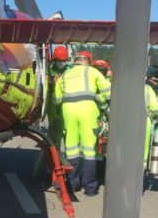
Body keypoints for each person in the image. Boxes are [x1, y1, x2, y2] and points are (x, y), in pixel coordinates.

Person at [54, 52, 111, 196]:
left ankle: (72, 184)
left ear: (75, 62)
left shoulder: (65, 75)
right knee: (89, 149)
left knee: (71, 147)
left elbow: (57, 99)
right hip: (87, 110)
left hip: (68, 110)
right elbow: (108, 91)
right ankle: (90, 187)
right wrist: (102, 102)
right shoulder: (92, 71)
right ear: (88, 62)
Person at [46, 46, 70, 154]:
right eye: (59, 61)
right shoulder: (49, 70)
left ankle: (68, 154)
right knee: (54, 132)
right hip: (52, 106)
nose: (62, 63)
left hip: (66, 105)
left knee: (66, 131)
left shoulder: (70, 70)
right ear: (54, 60)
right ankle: (55, 154)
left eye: (64, 61)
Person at [144, 79, 158, 168]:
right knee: (142, 151)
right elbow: (157, 110)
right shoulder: (147, 89)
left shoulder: (121, 85)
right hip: (143, 124)